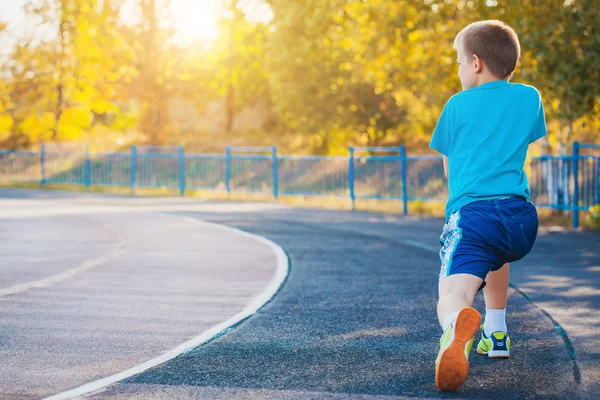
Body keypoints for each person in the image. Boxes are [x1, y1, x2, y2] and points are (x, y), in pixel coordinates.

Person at [429, 19, 547, 392]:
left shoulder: (456, 105)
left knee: (452, 294)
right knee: (496, 254)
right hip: (520, 221)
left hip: (474, 217)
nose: (459, 69)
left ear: (476, 63)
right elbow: (527, 138)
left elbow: (450, 166)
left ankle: (455, 326)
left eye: (459, 61)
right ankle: (496, 334)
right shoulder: (530, 97)